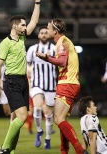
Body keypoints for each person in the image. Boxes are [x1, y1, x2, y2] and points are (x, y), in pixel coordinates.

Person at [0, 0, 42, 154]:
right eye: (23, 24)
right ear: (15, 26)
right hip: (11, 82)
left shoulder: (21, 39)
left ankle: (11, 151)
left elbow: (35, 20)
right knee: (21, 117)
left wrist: (37, 3)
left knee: (18, 119)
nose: (25, 26)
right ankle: (4, 148)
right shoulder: (5, 43)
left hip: (23, 82)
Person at [36, 19, 88, 154]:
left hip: (67, 83)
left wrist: (46, 58)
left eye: (48, 29)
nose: (46, 31)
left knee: (58, 119)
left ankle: (80, 150)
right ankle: (64, 151)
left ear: (55, 31)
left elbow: (62, 61)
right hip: (70, 83)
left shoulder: (62, 42)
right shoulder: (63, 42)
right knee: (62, 120)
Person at [26, 26, 57, 149]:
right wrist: (29, 82)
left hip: (51, 86)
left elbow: (60, 65)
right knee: (37, 108)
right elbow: (28, 66)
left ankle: (48, 139)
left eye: (46, 33)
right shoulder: (33, 49)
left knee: (49, 115)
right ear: (38, 35)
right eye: (41, 33)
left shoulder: (54, 49)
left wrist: (52, 58)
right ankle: (39, 130)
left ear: (48, 35)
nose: (44, 34)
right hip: (37, 84)